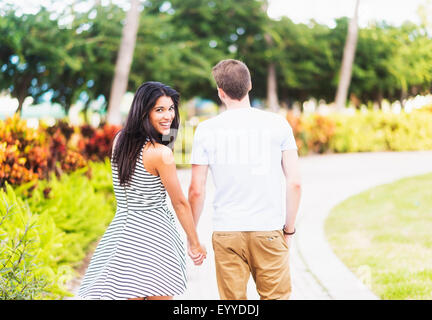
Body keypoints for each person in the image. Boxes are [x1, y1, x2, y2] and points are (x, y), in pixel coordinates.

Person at [78, 81, 206, 300]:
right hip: (155, 237)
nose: (169, 116)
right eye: (159, 110)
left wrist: (166, 135)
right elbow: (180, 203)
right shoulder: (161, 155)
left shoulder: (120, 140)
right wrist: (194, 241)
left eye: (171, 108)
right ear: (144, 111)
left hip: (123, 235)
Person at [188, 59, 302, 300]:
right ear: (250, 85)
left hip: (226, 231)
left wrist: (192, 236)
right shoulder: (278, 124)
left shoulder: (206, 131)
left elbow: (196, 190)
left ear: (220, 92)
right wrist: (288, 231)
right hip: (269, 230)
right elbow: (295, 183)